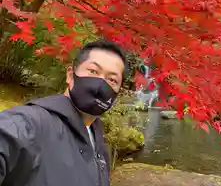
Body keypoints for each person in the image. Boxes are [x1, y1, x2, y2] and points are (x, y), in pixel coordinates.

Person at [0, 40, 127, 186]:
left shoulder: (98, 141)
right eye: (93, 71)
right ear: (70, 76)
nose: (100, 85)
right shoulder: (30, 124)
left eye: (112, 80)